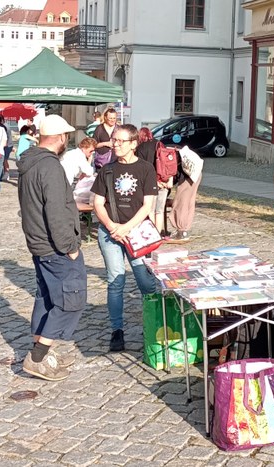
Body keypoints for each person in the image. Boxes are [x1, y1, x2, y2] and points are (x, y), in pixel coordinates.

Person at [17, 114, 86, 382]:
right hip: (55, 246)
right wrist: (69, 246)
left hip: (38, 243)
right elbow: (56, 211)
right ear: (60, 138)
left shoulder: (29, 162)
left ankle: (43, 354)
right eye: (66, 136)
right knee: (71, 300)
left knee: (46, 299)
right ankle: (37, 357)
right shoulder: (50, 167)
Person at [90, 124, 158, 352]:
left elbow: (148, 205)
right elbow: (97, 203)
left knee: (146, 282)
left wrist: (127, 227)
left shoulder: (146, 169)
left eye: (120, 141)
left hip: (136, 233)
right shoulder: (106, 170)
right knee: (116, 281)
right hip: (109, 234)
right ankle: (117, 330)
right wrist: (111, 226)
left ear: (133, 143)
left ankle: (154, 323)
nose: (115, 144)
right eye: (114, 140)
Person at [136, 127, 173, 233]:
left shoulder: (141, 148)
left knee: (150, 210)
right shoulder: (160, 144)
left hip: (150, 183)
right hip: (163, 181)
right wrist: (168, 180)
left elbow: (142, 168)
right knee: (160, 211)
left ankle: (153, 234)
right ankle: (159, 232)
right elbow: (168, 164)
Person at [167, 150, 203, 243]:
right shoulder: (173, 151)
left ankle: (181, 231)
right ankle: (184, 230)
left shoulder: (167, 154)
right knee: (189, 202)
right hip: (195, 171)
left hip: (188, 174)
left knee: (181, 202)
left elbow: (170, 178)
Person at [0, 114, 14, 182]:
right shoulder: (5, 125)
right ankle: (5, 174)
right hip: (8, 145)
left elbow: (5, 138)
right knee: (4, 160)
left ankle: (6, 174)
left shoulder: (4, 126)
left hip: (7, 145)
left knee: (4, 160)